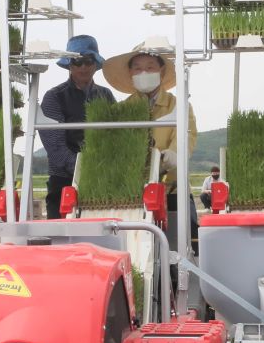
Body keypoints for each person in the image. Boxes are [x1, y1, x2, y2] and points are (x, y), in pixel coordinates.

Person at [39, 35, 112, 218]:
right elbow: (56, 149)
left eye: (88, 61)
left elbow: (116, 136)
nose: (83, 67)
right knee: (61, 240)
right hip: (63, 182)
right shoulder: (54, 97)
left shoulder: (105, 95)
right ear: (69, 65)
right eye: (77, 62)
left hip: (101, 180)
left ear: (95, 63)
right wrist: (84, 168)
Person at [101, 48, 198, 186]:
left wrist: (174, 153)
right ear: (130, 73)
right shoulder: (119, 110)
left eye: (150, 67)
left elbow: (188, 135)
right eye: (137, 69)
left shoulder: (179, 105)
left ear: (162, 70)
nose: (144, 73)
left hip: (173, 187)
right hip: (131, 189)